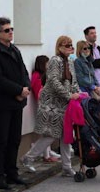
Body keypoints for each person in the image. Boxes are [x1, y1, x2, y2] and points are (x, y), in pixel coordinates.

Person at [21, 36, 80, 177]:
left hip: (64, 105)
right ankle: (28, 158)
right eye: (67, 45)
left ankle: (66, 167)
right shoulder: (55, 61)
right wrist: (69, 95)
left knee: (66, 136)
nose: (70, 48)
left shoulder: (70, 62)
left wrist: (77, 93)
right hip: (51, 104)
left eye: (71, 45)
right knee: (51, 135)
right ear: (59, 47)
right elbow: (53, 81)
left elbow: (73, 81)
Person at [0, 17, 31, 189]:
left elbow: (24, 72)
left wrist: (25, 89)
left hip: (17, 103)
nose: (10, 32)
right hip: (3, 104)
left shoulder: (14, 50)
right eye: (6, 30)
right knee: (1, 141)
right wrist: (18, 91)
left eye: (11, 29)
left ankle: (12, 173)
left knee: (14, 139)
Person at [29, 55, 60, 163]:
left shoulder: (44, 75)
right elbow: (37, 90)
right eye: (47, 63)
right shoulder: (37, 76)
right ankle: (46, 155)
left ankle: (48, 152)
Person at [84, 26, 100, 107]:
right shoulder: (85, 48)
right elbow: (90, 64)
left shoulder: (99, 48)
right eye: (92, 33)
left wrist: (99, 62)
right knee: (95, 108)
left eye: (95, 33)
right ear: (86, 36)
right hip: (93, 84)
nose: (94, 35)